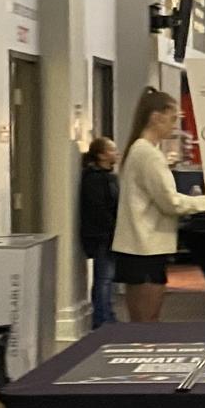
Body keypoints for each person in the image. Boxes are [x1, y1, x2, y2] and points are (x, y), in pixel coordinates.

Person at [114, 88, 205, 322]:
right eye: (172, 119)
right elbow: (171, 203)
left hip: (141, 248)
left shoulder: (139, 151)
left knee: (142, 324)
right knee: (147, 324)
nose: (174, 126)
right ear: (155, 117)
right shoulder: (148, 154)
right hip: (146, 248)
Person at [78, 136, 122, 328]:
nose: (116, 153)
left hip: (108, 233)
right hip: (102, 234)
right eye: (112, 150)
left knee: (108, 277)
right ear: (101, 154)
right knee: (104, 277)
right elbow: (98, 209)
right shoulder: (94, 179)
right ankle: (102, 319)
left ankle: (108, 315)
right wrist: (113, 228)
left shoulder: (108, 177)